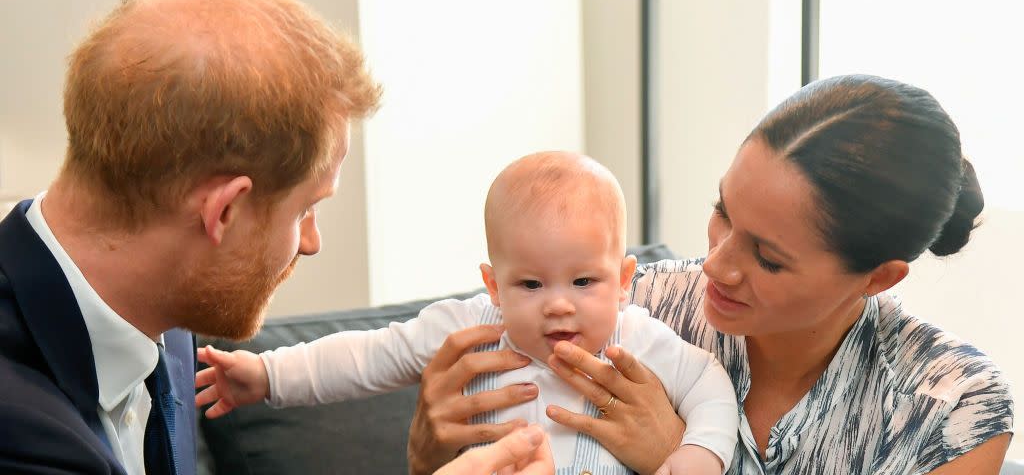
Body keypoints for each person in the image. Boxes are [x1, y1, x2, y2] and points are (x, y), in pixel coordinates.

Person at [407, 75, 1015, 474]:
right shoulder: (628, 303)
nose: (716, 264)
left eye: (768, 257)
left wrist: (675, 454)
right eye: (722, 210)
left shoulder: (953, 410)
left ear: (878, 278)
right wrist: (430, 449)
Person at [0, 0, 386, 474]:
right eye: (306, 208)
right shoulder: (19, 429)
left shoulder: (166, 321)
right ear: (223, 211)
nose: (311, 242)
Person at [194, 151, 739, 474]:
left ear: (623, 281)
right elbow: (368, 355)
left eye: (584, 280)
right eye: (529, 283)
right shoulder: (470, 327)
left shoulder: (636, 339)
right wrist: (267, 376)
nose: (558, 303)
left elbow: (709, 384)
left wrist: (699, 455)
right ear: (493, 286)